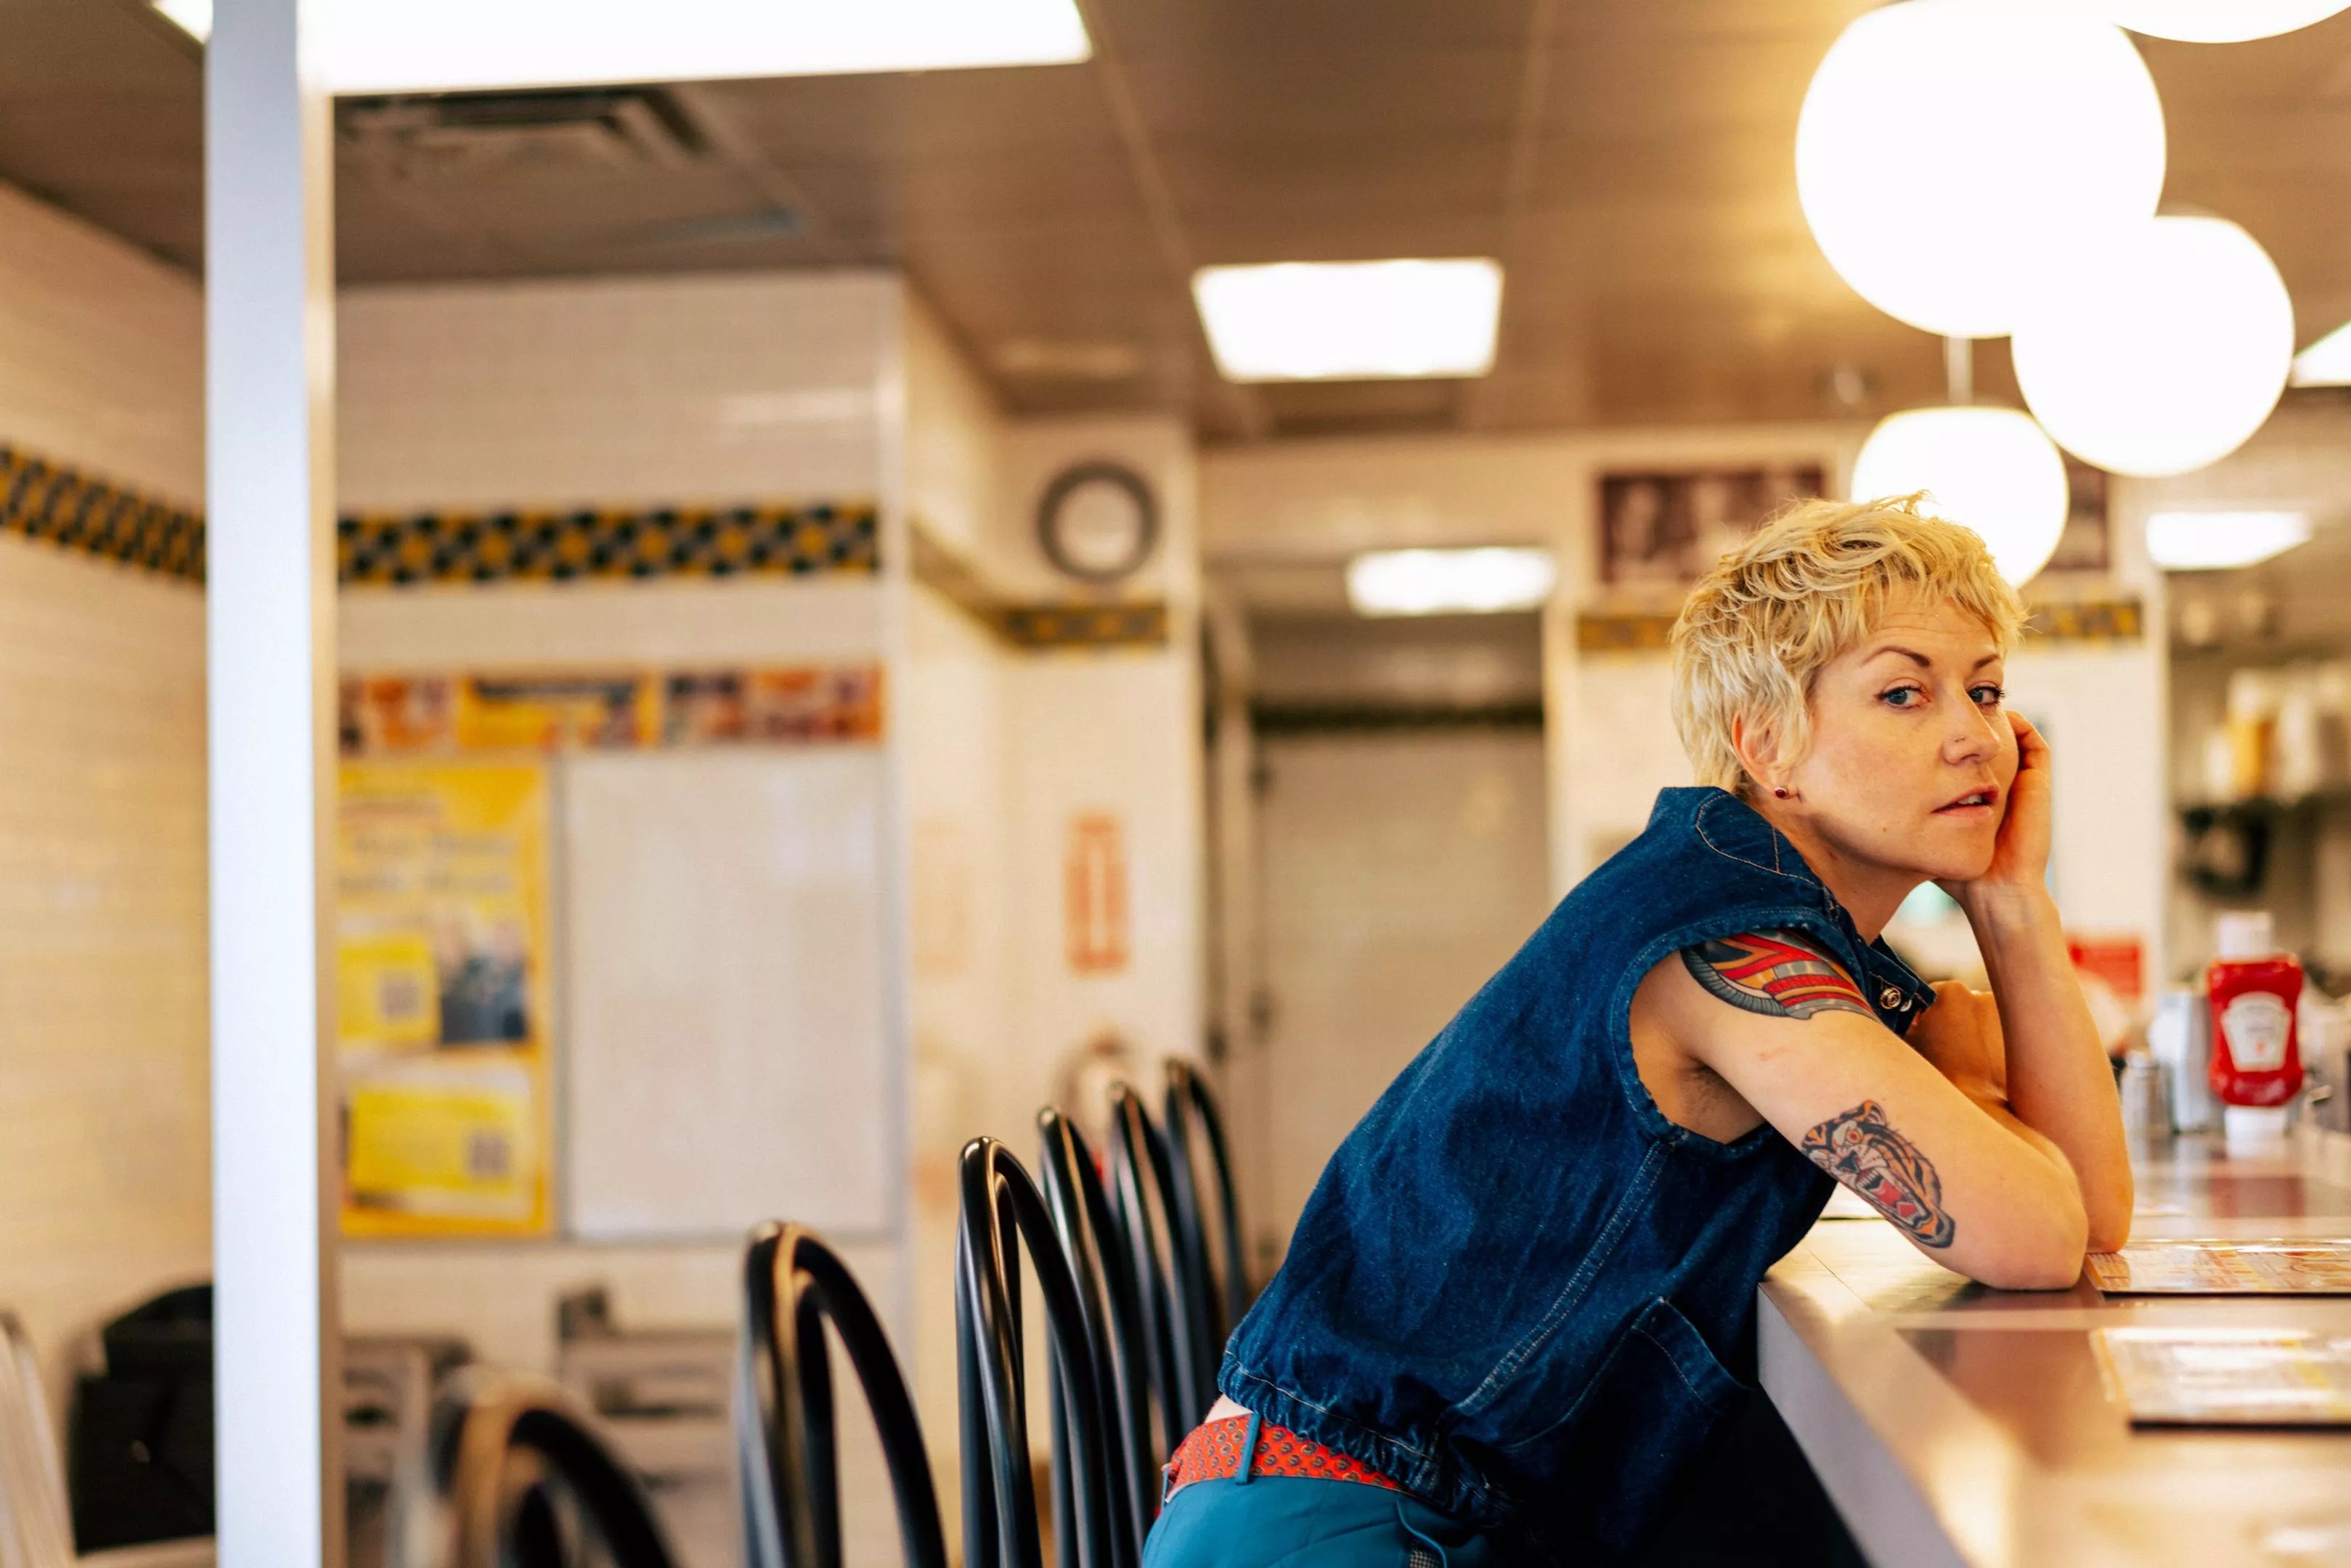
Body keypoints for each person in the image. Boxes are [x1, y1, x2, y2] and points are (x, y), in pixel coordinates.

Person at [1144, 495, 2131, 1565]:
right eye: (1904, 692)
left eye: (1985, 692)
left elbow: (2091, 1215)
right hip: (1336, 1528)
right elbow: (2033, 1241)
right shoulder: (1727, 944)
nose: (1971, 737)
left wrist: (2013, 903)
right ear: (1767, 746)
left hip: (1413, 1511)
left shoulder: (1788, 926)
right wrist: (1990, 1108)